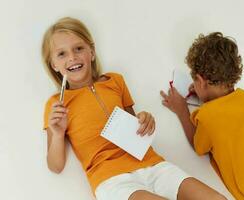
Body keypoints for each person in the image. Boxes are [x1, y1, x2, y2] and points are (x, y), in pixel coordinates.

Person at [41, 17, 226, 200]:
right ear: (54, 65)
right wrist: (57, 133)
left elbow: (136, 131)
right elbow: (55, 166)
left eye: (78, 48)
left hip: (152, 165)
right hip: (111, 179)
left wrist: (145, 121)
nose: (72, 57)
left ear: (92, 52)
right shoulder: (56, 104)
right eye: (61, 54)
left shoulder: (115, 81)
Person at [160, 32, 244, 200]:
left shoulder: (206, 115)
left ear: (200, 80)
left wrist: (182, 110)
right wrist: (205, 96)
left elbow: (199, 146)